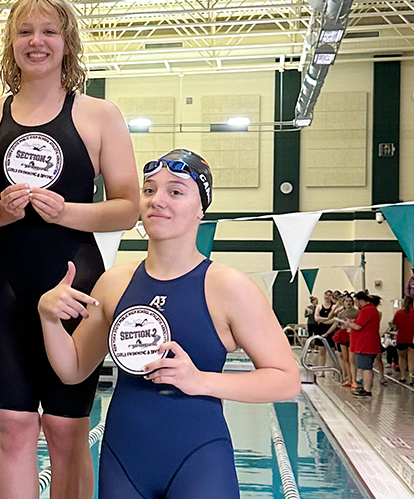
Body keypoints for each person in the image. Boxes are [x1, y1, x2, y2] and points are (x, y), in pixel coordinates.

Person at [38, 149, 300, 498]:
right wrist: (49, 318)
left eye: (175, 191)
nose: (157, 200)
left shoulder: (229, 287)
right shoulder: (115, 282)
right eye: (149, 190)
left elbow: (285, 381)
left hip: (200, 460)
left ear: (200, 209)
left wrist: (200, 381)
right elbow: (73, 369)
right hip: (122, 459)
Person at [0, 0, 139, 498]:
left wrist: (67, 211)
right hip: (1, 287)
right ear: (10, 43)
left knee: (67, 431)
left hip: (74, 285)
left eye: (48, 31)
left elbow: (129, 207)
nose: (36, 41)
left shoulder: (99, 115)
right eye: (25, 31)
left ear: (67, 43)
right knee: (14, 428)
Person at [347, 291, 382, 397]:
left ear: (360, 301)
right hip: (367, 344)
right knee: (365, 367)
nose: (355, 304)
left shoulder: (367, 310)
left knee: (366, 367)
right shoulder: (370, 310)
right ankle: (366, 388)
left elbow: (358, 326)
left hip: (366, 345)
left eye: (356, 302)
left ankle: (367, 390)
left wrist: (349, 324)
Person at [394, 297, 414, 384]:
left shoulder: (399, 313)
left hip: (401, 338)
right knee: (411, 359)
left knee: (402, 358)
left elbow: (394, 325)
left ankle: (403, 376)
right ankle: (411, 376)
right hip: (412, 338)